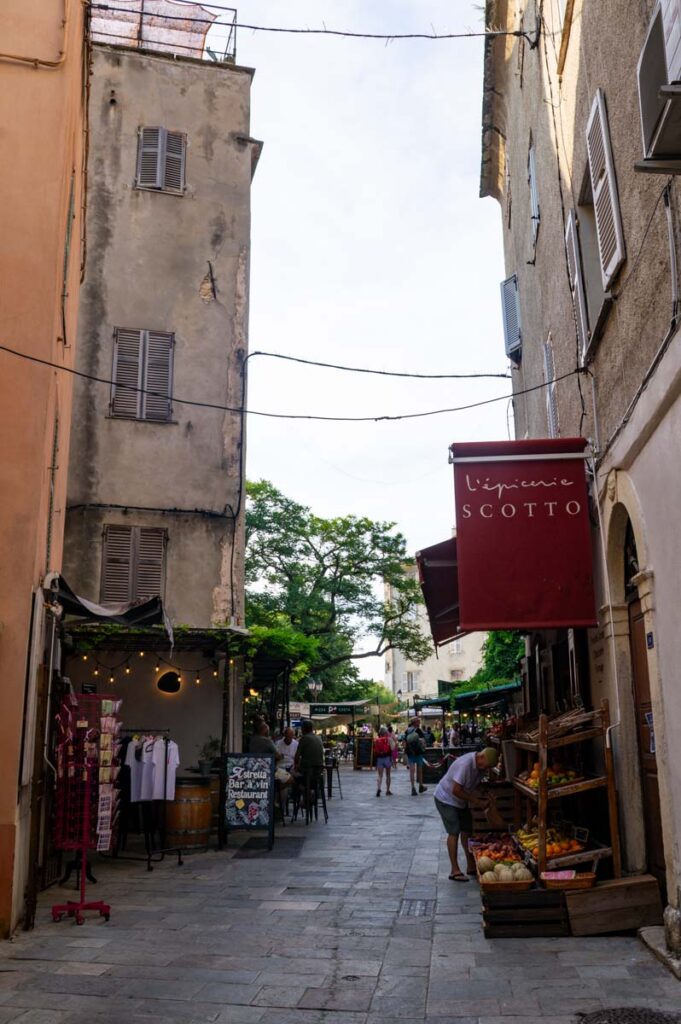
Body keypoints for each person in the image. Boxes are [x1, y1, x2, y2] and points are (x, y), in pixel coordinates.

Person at [433, 747, 499, 882]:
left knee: (467, 830)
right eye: (485, 765)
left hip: (460, 801)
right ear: (481, 757)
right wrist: (476, 801)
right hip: (446, 798)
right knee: (454, 832)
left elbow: (475, 785)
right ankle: (454, 870)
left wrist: (485, 795)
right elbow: (456, 790)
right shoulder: (465, 764)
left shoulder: (481, 767)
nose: (484, 769)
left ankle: (470, 865)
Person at [405, 717, 428, 796]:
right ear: (415, 722)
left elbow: (405, 742)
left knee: (412, 771)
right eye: (418, 721)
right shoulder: (418, 730)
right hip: (418, 753)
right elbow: (423, 741)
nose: (419, 722)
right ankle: (421, 786)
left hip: (410, 753)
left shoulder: (407, 730)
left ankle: (413, 788)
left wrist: (406, 752)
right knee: (419, 771)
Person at [373, 726, 393, 797]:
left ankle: (379, 788)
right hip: (387, 758)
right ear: (385, 733)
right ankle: (387, 790)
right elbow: (393, 748)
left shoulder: (376, 740)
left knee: (380, 775)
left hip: (379, 759)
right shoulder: (389, 739)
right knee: (388, 775)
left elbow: (375, 750)